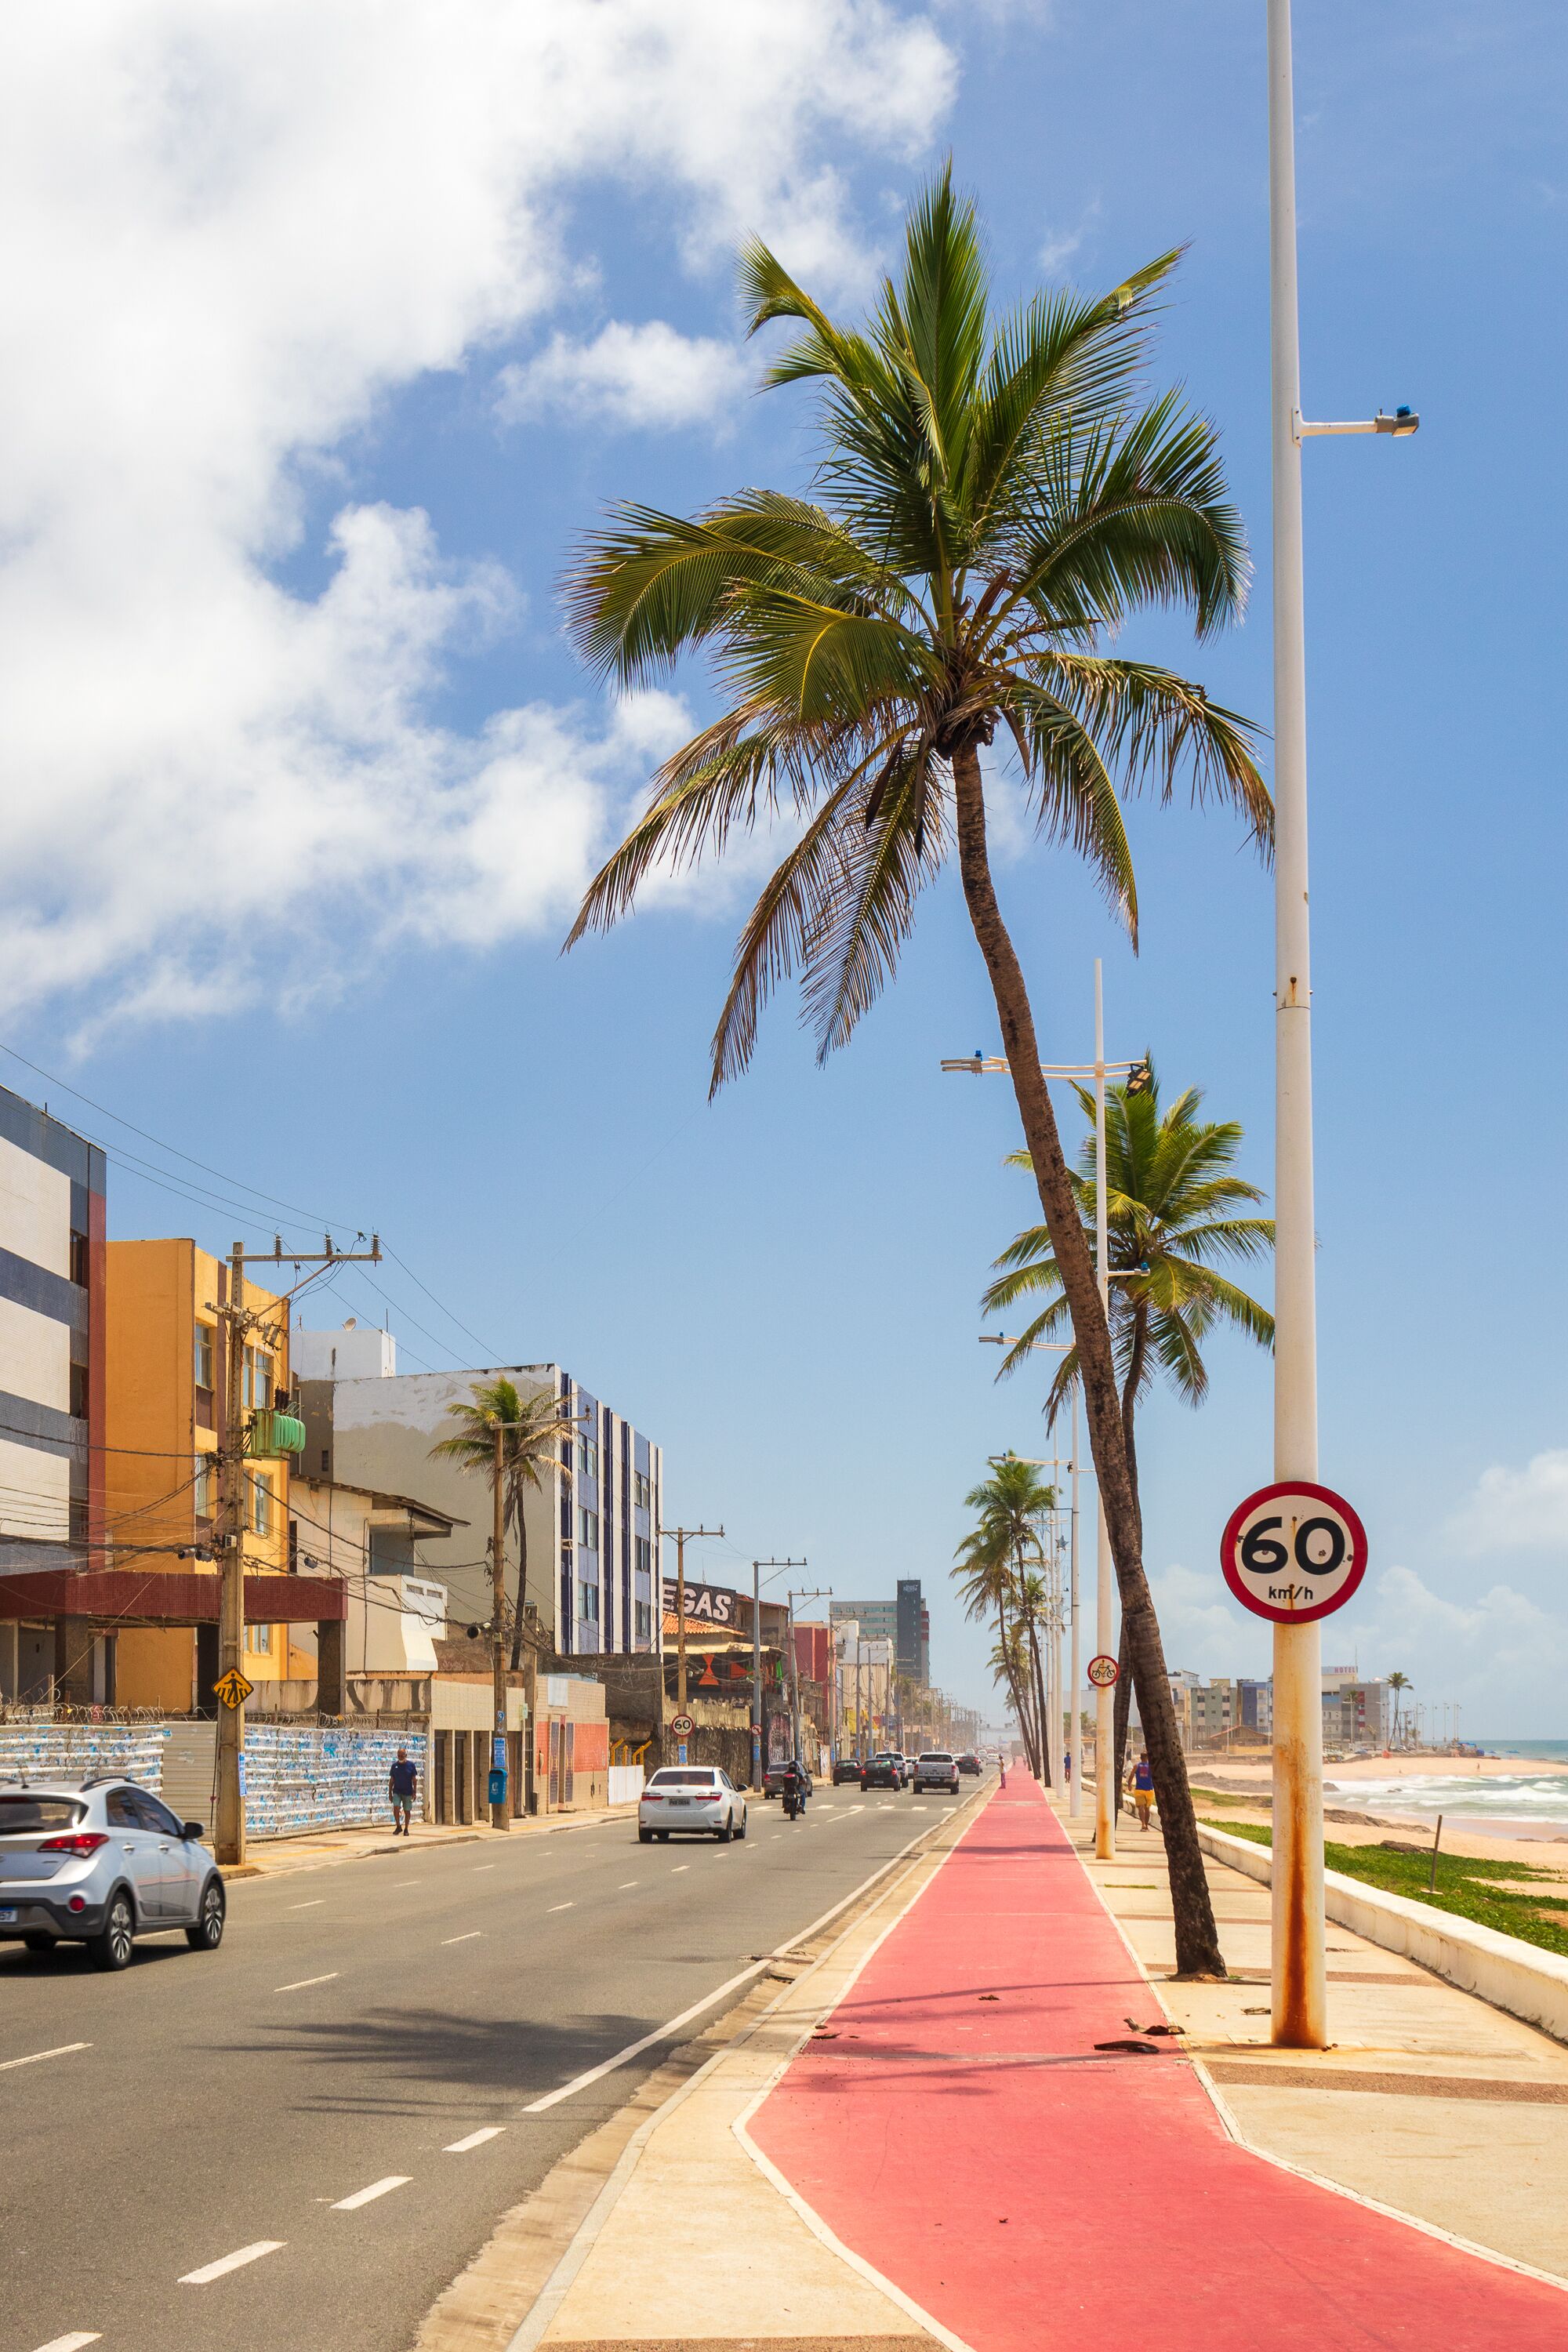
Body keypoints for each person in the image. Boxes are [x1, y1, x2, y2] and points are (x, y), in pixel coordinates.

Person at [389, 1746, 418, 1835]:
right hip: (397, 1791)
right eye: (399, 1756)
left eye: (402, 1756)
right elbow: (392, 1780)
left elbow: (414, 1779)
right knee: (396, 1807)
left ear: (406, 1755)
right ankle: (398, 1826)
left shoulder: (411, 1765)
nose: (400, 1758)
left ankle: (406, 1828)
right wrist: (390, 1793)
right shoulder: (395, 1766)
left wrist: (414, 1792)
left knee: (407, 1810)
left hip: (408, 1792)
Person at [1128, 1750, 1154, 1831]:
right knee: (1147, 1809)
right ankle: (1146, 1825)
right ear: (1147, 1758)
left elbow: (1132, 1775)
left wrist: (1129, 1785)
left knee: (1141, 1808)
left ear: (1141, 1758)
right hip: (1149, 1790)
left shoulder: (1137, 1766)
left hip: (1139, 1789)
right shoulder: (1151, 1766)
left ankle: (1143, 1824)